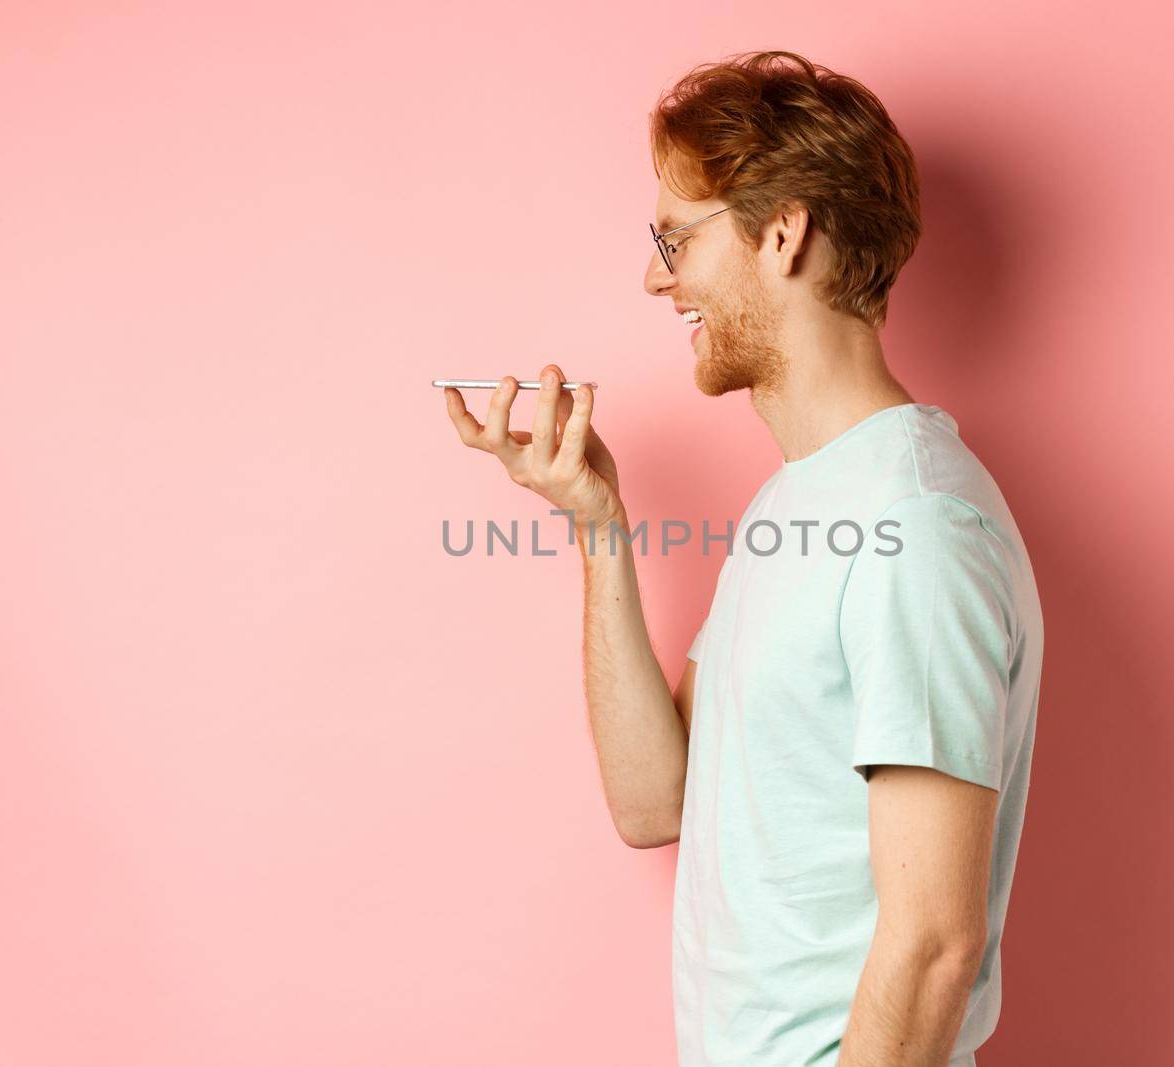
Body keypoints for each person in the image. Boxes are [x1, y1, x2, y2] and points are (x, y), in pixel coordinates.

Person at [443, 50, 1043, 1067]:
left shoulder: (918, 522)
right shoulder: (800, 503)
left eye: (674, 236)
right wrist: (598, 525)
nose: (652, 275)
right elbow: (656, 799)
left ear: (782, 232)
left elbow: (937, 942)